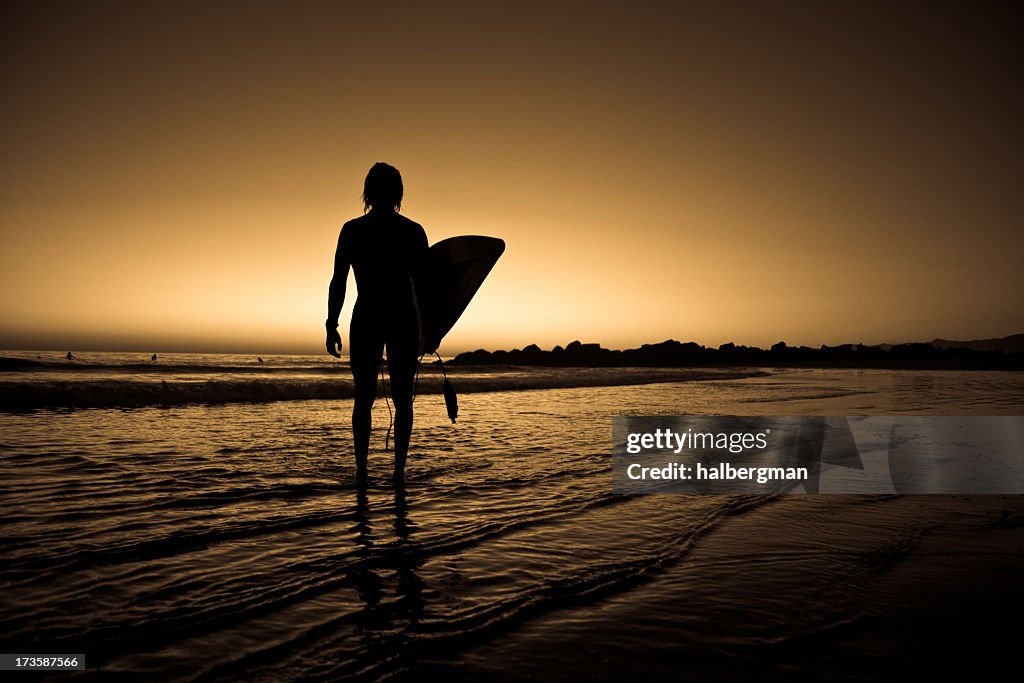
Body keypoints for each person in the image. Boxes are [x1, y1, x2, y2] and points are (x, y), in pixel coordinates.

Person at [326, 163, 428, 484]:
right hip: (402, 318)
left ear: (367, 192)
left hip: (367, 315)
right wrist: (430, 329)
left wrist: (332, 323)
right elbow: (427, 289)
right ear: (399, 193)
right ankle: (398, 471)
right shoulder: (412, 231)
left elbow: (338, 282)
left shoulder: (354, 230)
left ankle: (362, 470)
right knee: (401, 398)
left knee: (365, 397)